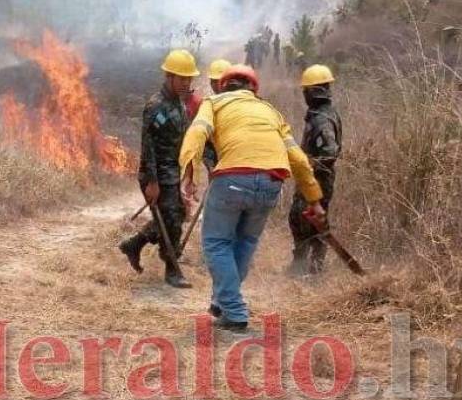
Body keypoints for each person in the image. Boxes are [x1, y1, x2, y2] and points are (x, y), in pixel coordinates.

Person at [178, 65, 325, 332]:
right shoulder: (271, 111)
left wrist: (189, 174)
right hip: (271, 182)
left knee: (216, 242)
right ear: (253, 89)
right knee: (245, 241)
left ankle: (234, 310)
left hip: (233, 177)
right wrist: (314, 198)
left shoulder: (214, 102)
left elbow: (197, 134)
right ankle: (222, 302)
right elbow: (299, 160)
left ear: (223, 86)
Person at [119, 49, 199, 288]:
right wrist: (152, 182)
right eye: (182, 78)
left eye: (189, 78)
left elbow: (185, 140)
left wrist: (189, 173)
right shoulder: (156, 106)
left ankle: (134, 244)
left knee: (174, 215)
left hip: (172, 173)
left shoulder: (180, 105)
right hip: (155, 174)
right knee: (171, 220)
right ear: (169, 77)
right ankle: (172, 270)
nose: (186, 83)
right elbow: (148, 145)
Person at [288, 64, 343, 277]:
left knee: (307, 221)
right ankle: (303, 267)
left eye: (305, 91)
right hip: (314, 178)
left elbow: (329, 152)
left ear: (312, 91)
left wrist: (309, 164)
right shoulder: (321, 113)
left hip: (318, 179)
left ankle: (313, 269)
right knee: (301, 219)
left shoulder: (322, 118)